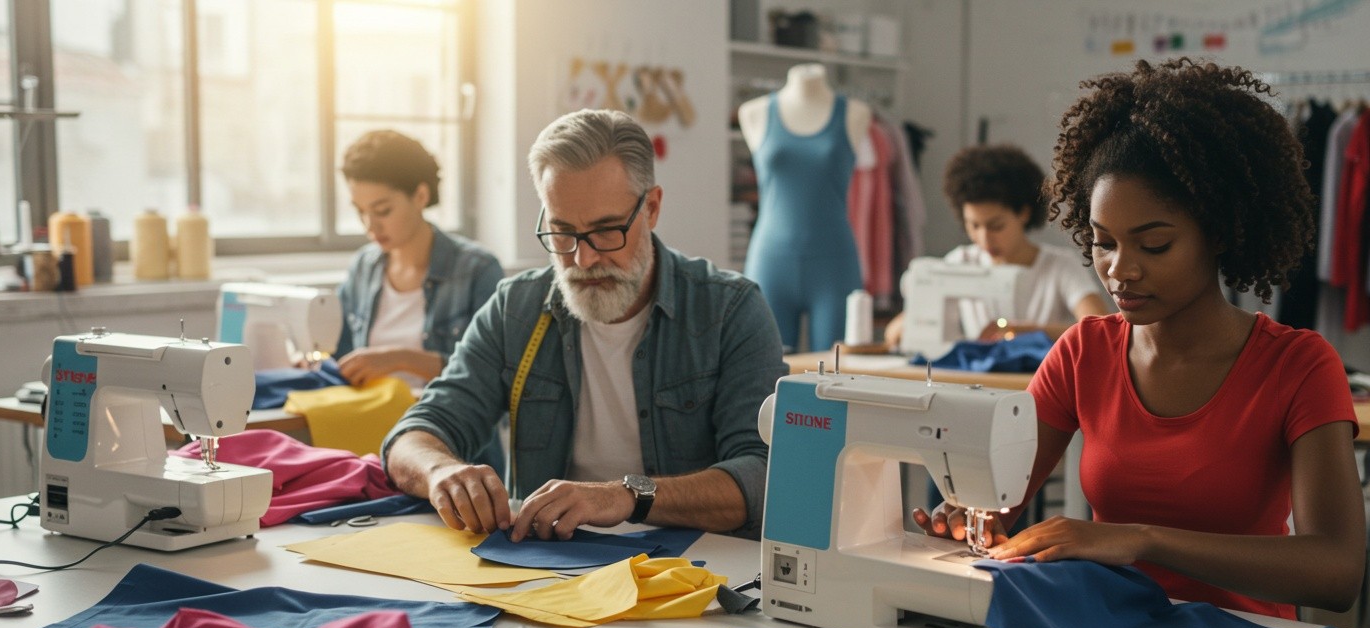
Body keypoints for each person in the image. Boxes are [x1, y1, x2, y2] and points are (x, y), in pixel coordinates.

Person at [916, 58, 1365, 620]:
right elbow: (998, 500)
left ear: (1220, 234)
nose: (1119, 271)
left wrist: (1142, 539)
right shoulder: (1084, 353)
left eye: (1153, 246)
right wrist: (967, 515)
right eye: (1104, 243)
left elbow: (1337, 570)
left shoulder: (1298, 366)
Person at [383, 109, 787, 542]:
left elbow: (765, 476)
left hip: (692, 567)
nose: (583, 259)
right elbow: (413, 434)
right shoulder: (515, 309)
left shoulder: (730, 310)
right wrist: (441, 471)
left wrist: (627, 496)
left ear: (651, 209)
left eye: (606, 231)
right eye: (562, 233)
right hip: (548, 564)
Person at [883, 144, 1108, 349]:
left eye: (996, 226)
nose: (984, 238)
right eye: (974, 225)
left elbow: (1099, 328)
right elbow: (895, 332)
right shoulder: (960, 262)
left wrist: (1024, 331)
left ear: (1024, 213)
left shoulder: (1060, 266)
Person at [335, 130, 504, 390]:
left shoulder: (477, 270)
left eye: (383, 210)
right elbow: (339, 355)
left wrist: (401, 359)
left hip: (445, 424)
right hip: (370, 420)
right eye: (361, 211)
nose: (370, 225)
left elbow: (493, 372)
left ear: (421, 196)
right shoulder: (364, 267)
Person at [738, 63, 873, 353]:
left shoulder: (854, 113)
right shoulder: (754, 112)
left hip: (834, 263)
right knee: (764, 370)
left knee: (837, 377)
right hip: (772, 260)